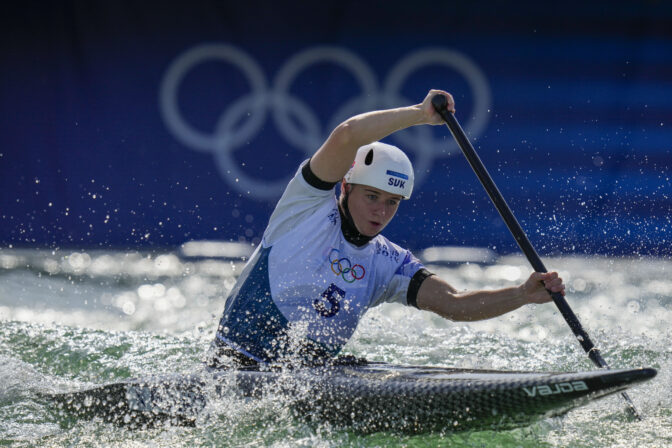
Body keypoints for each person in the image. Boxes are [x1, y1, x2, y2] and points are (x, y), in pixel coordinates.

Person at [208, 89, 565, 368]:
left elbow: (454, 304)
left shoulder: (388, 263)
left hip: (311, 378)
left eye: (392, 202)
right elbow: (347, 135)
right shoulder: (305, 208)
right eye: (372, 196)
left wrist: (521, 294)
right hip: (234, 366)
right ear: (346, 188)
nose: (381, 210)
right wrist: (418, 115)